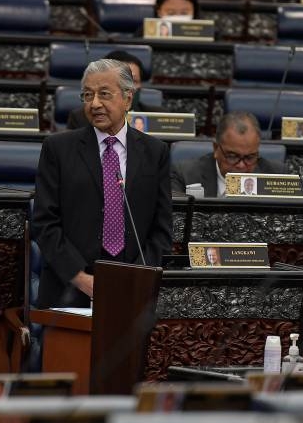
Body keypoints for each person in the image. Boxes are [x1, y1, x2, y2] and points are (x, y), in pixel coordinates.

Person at [33, 59, 172, 308]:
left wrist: (136, 277)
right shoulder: (58, 149)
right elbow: (45, 223)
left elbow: (161, 230)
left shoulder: (155, 152)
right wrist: (81, 278)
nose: (94, 103)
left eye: (104, 94)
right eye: (88, 95)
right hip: (69, 289)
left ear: (128, 99)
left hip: (134, 292)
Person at [171, 111, 287, 198]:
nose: (241, 165)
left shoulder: (276, 175)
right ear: (216, 149)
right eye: (232, 156)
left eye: (250, 157)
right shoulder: (184, 175)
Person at [67, 51, 165, 129]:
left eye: (134, 81)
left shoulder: (159, 117)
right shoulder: (82, 117)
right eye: (122, 81)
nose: (129, 88)